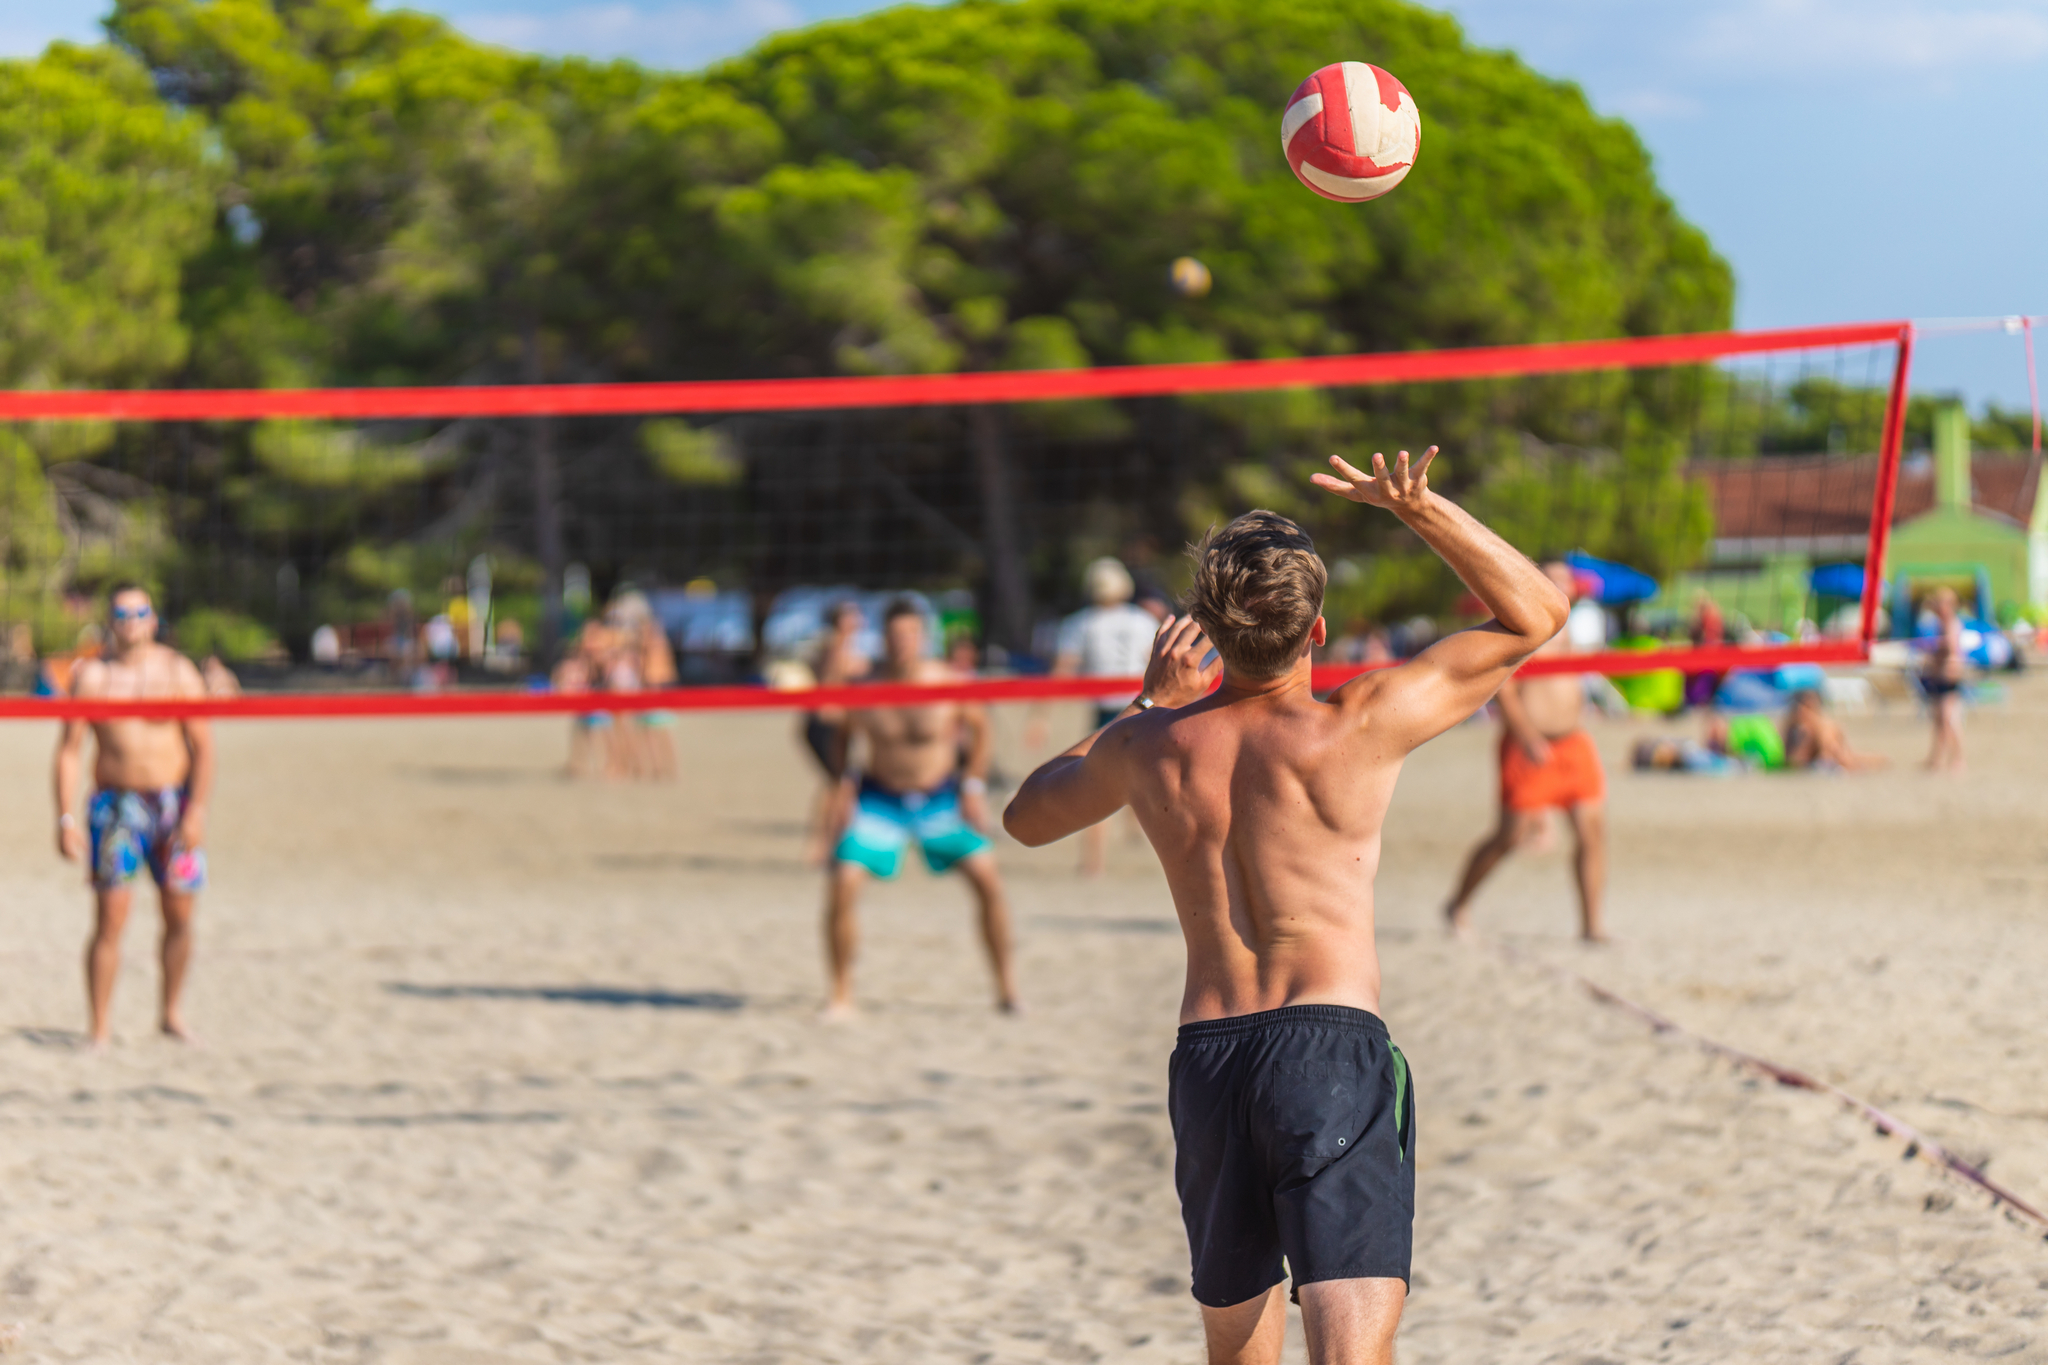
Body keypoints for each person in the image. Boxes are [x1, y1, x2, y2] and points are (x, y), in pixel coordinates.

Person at [1004, 448, 1569, 1365]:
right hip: (1326, 1047)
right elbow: (1537, 613)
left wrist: (1149, 700)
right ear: (1315, 633)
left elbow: (1026, 816)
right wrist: (1418, 508)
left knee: (1237, 1355)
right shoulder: (1361, 722)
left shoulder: (1149, 746)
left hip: (1211, 1057)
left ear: (1207, 632)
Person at [824, 597, 1019, 1017]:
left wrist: (972, 785)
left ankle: (1007, 991)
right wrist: (842, 786)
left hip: (941, 797)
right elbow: (838, 736)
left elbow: (981, 727)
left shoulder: (947, 681)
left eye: (910, 635)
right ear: (884, 638)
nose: (902, 643)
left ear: (923, 638)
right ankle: (841, 995)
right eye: (895, 635)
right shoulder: (864, 687)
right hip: (880, 798)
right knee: (842, 881)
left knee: (988, 881)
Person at [53, 585, 216, 1048]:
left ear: (153, 618)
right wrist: (65, 819)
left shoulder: (178, 670)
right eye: (121, 613)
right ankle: (99, 1029)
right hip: (115, 806)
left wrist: (197, 811)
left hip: (172, 803)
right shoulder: (93, 678)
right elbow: (68, 753)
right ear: (109, 620)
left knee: (180, 915)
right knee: (110, 917)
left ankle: (171, 1014)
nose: (130, 620)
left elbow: (204, 748)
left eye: (139, 612)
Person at [1444, 561, 1607, 943]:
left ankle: (1592, 927)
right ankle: (1458, 903)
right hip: (1527, 744)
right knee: (1509, 837)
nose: (1561, 584)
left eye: (1565, 579)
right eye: (1553, 578)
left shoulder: (1573, 627)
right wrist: (1527, 735)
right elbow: (1504, 690)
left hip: (1574, 741)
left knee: (1592, 834)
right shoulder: (1520, 623)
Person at [1050, 557, 1160, 874]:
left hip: (1106, 709)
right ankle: (1137, 835)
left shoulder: (1079, 623)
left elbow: (1063, 669)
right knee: (1141, 774)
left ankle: (1093, 861)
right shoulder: (1141, 620)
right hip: (1142, 704)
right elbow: (1154, 662)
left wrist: (1041, 715)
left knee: (1097, 782)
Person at [799, 601, 872, 864]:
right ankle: (822, 846)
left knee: (837, 786)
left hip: (830, 724)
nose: (858, 618)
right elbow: (829, 686)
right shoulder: (837, 647)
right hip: (828, 724)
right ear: (841, 621)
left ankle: (829, 844)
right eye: (852, 614)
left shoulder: (837, 646)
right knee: (838, 786)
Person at [1782, 689, 1888, 771]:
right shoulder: (1798, 724)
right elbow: (1794, 759)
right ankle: (1878, 760)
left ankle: (1878, 760)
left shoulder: (1823, 726)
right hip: (1827, 755)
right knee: (1853, 757)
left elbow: (1837, 756)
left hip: (1830, 755)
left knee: (1848, 757)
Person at [1920, 586, 1966, 772]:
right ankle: (1936, 759)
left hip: (1949, 677)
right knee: (1940, 721)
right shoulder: (1941, 624)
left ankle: (1958, 760)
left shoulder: (1951, 624)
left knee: (1950, 720)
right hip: (1939, 677)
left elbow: (1951, 651)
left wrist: (1935, 650)